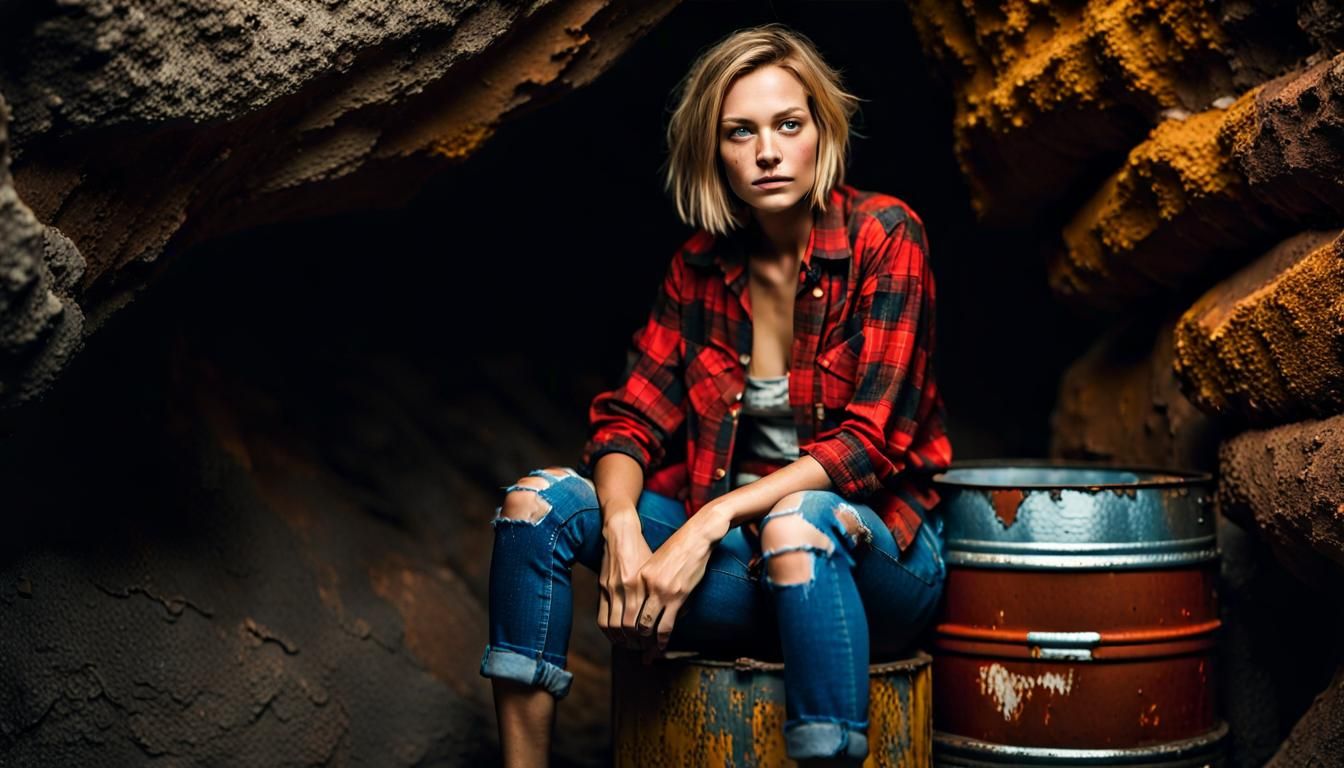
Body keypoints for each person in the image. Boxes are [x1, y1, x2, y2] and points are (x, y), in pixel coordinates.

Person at [479, 22, 951, 767]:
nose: (767, 151)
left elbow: (867, 444)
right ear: (715, 150)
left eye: (788, 125)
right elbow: (628, 420)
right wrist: (626, 522)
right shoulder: (697, 268)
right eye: (741, 132)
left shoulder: (887, 238)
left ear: (821, 133)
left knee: (798, 523)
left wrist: (711, 521)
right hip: (743, 574)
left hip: (874, 567)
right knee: (535, 507)